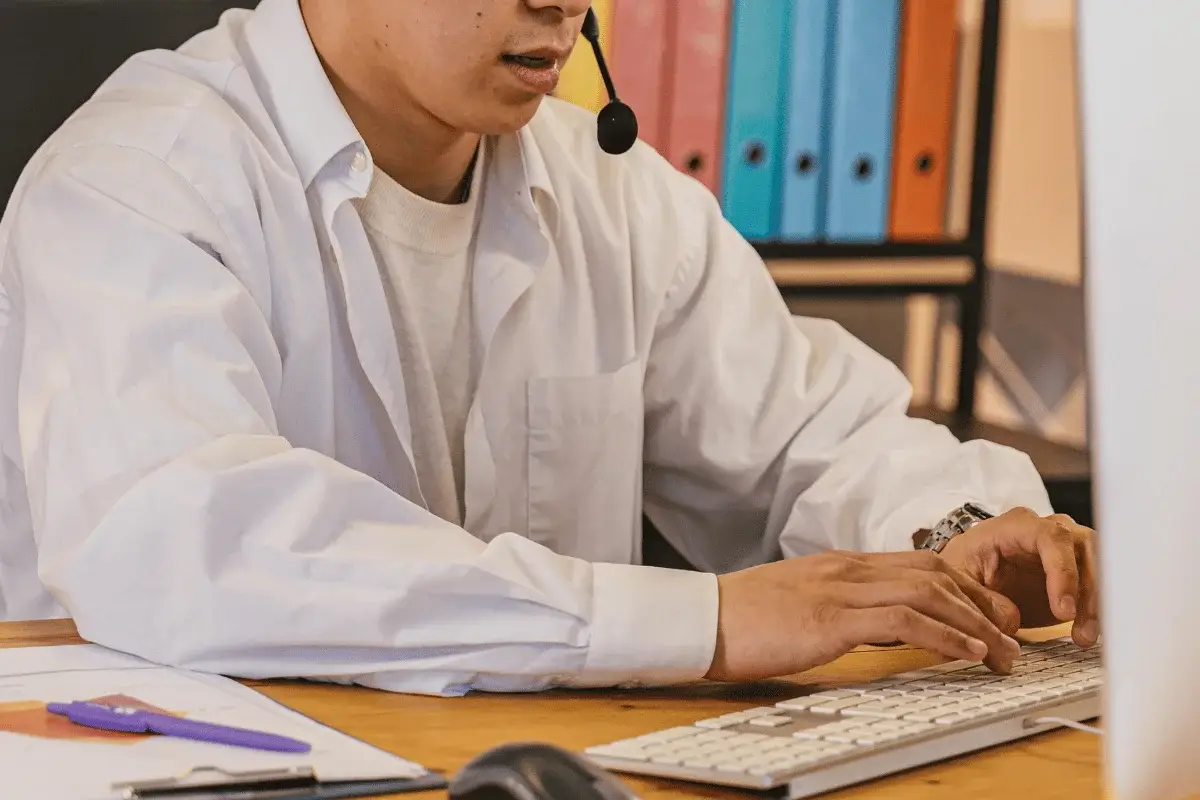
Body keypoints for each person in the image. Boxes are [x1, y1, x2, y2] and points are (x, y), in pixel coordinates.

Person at [0, 0, 1098, 696]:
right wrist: (706, 620)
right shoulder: (137, 178)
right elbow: (192, 543)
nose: (561, 3)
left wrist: (956, 534)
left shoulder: (608, 190)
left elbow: (811, 435)